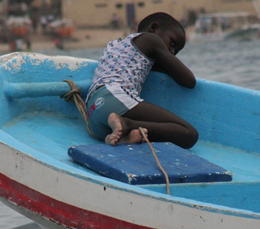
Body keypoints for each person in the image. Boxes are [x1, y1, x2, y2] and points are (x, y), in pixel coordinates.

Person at [84, 12, 198, 149]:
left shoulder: (116, 45)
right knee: (189, 134)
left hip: (93, 114)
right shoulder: (151, 40)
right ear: (153, 28)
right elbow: (189, 81)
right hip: (114, 97)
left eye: (176, 51)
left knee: (130, 132)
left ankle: (122, 136)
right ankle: (128, 124)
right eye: (172, 43)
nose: (172, 52)